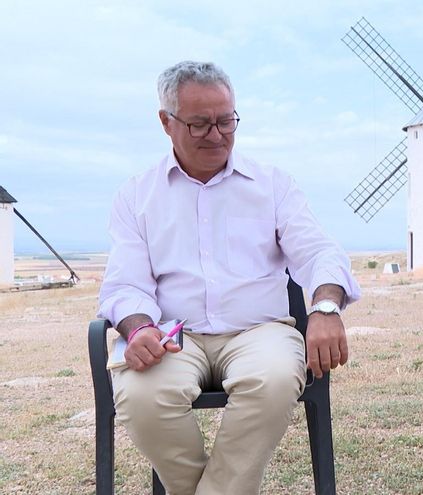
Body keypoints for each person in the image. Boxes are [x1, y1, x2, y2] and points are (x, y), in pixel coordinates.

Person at [98, 61, 361, 495]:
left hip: (260, 332)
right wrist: (138, 326)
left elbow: (318, 252)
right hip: (173, 336)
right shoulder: (136, 195)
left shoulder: (273, 184)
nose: (217, 135)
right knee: (143, 397)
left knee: (274, 378)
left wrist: (326, 306)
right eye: (200, 125)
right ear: (166, 122)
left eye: (226, 121)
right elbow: (125, 283)